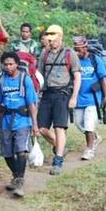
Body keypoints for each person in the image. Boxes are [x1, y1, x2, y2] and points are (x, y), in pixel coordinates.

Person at [0, 51, 39, 197]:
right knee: (6, 153)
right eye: (5, 64)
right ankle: (17, 176)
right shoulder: (0, 81)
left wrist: (35, 124)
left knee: (20, 150)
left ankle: (19, 182)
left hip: (22, 120)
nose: (8, 67)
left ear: (17, 64)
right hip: (6, 120)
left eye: (11, 64)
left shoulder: (25, 80)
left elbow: (31, 103)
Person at [37, 24, 81, 175]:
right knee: (41, 128)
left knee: (59, 127)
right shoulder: (44, 54)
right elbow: (39, 76)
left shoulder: (70, 54)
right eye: (49, 39)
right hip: (47, 94)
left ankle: (58, 159)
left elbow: (77, 77)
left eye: (54, 38)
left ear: (61, 37)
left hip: (62, 94)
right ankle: (60, 146)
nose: (51, 42)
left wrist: (74, 97)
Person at [74, 36, 106, 160]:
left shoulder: (95, 59)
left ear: (85, 47)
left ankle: (89, 150)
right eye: (75, 49)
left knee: (89, 124)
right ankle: (95, 137)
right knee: (78, 123)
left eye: (79, 49)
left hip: (92, 98)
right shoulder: (75, 61)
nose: (77, 52)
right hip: (78, 98)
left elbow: (103, 78)